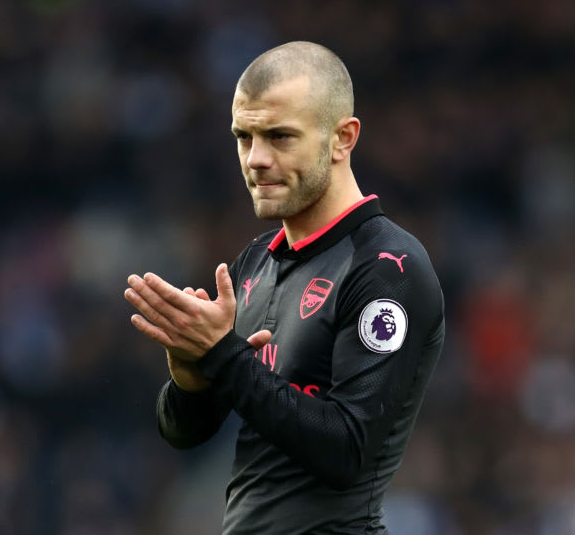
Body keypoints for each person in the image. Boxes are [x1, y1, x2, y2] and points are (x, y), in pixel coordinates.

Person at [124, 41, 444, 534]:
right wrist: (192, 373)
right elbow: (184, 433)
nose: (255, 159)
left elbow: (347, 451)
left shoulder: (387, 268)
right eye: (243, 136)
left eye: (279, 137)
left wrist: (224, 357)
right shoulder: (256, 262)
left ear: (342, 138)